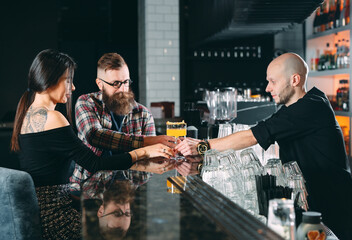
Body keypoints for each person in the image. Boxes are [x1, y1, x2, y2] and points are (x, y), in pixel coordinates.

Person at [177, 53, 352, 239]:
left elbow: (253, 136)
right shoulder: (293, 109)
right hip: (314, 206)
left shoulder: (311, 106)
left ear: (295, 80)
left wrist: (203, 146)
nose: (268, 88)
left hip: (334, 210)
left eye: (273, 81)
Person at [10, 49, 174, 240]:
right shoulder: (53, 117)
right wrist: (144, 150)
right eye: (68, 80)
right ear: (50, 80)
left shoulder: (27, 113)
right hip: (53, 215)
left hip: (42, 209)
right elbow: (95, 164)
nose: (72, 88)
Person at [70, 52, 177, 189]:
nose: (123, 89)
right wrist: (149, 141)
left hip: (128, 190)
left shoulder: (143, 114)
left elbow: (152, 160)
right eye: (116, 83)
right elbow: (95, 136)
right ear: (100, 84)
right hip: (88, 187)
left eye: (126, 82)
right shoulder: (86, 102)